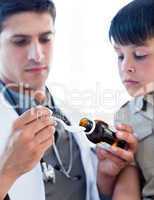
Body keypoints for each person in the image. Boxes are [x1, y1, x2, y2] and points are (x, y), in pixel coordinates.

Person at [0, 0, 138, 200]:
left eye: (45, 39)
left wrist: (105, 179)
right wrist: (8, 171)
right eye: (20, 41)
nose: (37, 55)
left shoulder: (75, 118)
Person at [109, 0, 154, 199]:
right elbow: (127, 186)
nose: (125, 67)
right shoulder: (125, 117)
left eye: (139, 55)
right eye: (120, 56)